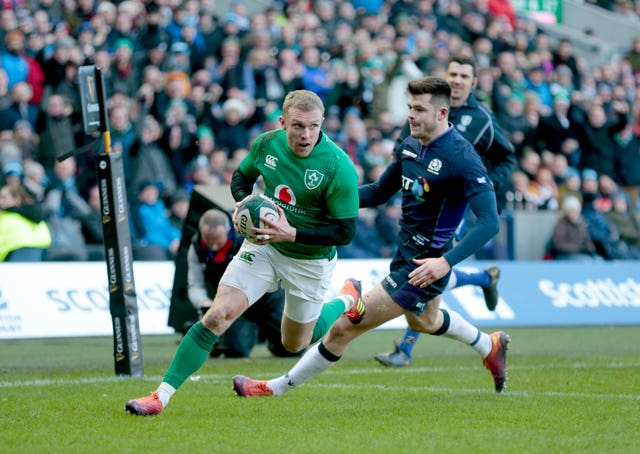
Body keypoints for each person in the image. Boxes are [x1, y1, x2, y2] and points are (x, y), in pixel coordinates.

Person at [232, 77, 510, 399]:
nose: (411, 115)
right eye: (409, 108)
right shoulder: (410, 144)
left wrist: (444, 263)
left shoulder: (462, 157)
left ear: (442, 113)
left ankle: (273, 388)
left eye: (419, 109)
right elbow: (378, 192)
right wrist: (320, 202)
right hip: (405, 253)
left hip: (423, 266)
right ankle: (488, 344)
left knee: (342, 329)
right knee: (425, 321)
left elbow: (489, 223)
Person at [125, 89, 363, 415]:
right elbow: (241, 177)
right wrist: (242, 204)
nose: (305, 134)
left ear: (321, 123)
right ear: (283, 122)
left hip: (310, 258)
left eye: (313, 126)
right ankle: (160, 397)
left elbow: (345, 232)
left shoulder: (338, 167)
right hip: (263, 246)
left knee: (293, 343)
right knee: (218, 315)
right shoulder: (267, 144)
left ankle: (348, 298)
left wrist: (291, 232)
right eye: (297, 126)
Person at [375, 54, 514, 367]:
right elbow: (406, 146)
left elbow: (506, 158)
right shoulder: (425, 108)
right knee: (430, 270)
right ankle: (482, 278)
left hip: (456, 205)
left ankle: (406, 349)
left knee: (432, 264)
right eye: (453, 73)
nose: (458, 80)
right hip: (422, 197)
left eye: (465, 76)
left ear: (474, 83)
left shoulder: (482, 119)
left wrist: (485, 185)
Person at [187, 208, 297, 358]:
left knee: (290, 349)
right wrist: (204, 303)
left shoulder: (247, 235)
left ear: (228, 230)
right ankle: (232, 340)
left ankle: (271, 338)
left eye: (218, 241)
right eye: (208, 241)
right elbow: (195, 284)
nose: (213, 247)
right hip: (234, 302)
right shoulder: (196, 247)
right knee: (234, 350)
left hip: (269, 297)